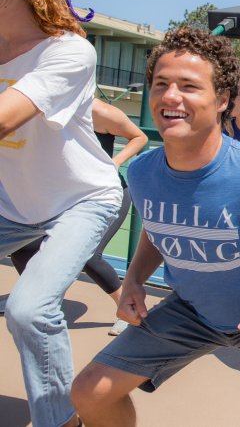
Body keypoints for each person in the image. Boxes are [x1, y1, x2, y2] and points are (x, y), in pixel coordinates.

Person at [70, 28, 240, 427]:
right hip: (191, 311)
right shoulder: (144, 171)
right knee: (88, 392)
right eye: (161, 84)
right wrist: (133, 282)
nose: (170, 96)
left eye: (188, 86)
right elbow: (155, 226)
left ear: (221, 100)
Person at [0, 0, 122, 426]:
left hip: (83, 199)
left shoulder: (69, 51)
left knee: (28, 309)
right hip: (15, 205)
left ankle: (61, 420)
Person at [3, 98, 148, 337]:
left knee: (89, 255)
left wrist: (114, 163)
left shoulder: (98, 111)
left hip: (105, 195)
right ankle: (39, 301)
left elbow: (139, 136)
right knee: (24, 248)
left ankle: (130, 311)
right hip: (64, 197)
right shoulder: (40, 109)